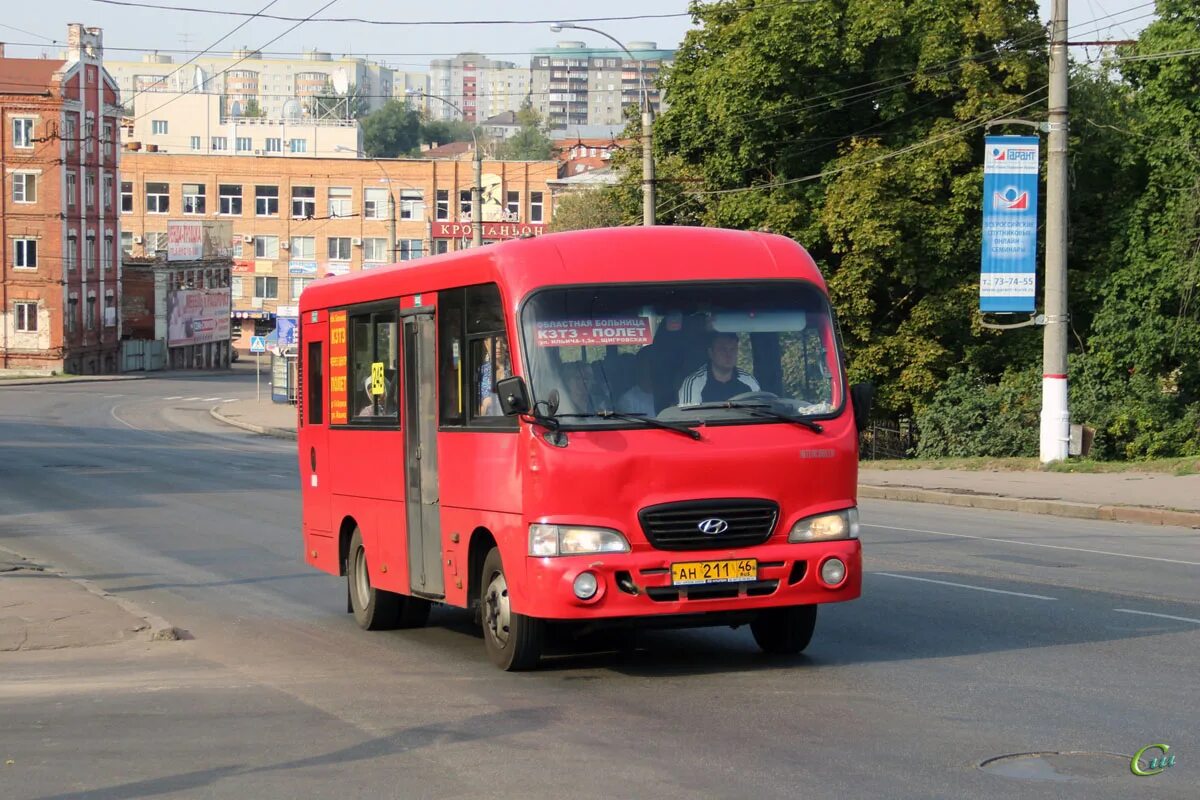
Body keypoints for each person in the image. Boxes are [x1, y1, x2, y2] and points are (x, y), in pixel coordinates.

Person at [677, 331, 760, 405]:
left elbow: (761, 414)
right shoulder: (694, 383)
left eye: (732, 349)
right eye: (722, 349)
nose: (728, 354)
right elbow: (688, 420)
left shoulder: (749, 381)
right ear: (710, 353)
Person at [616, 347, 656, 416]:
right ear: (640, 368)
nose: (654, 368)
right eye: (650, 364)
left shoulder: (666, 395)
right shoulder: (628, 401)